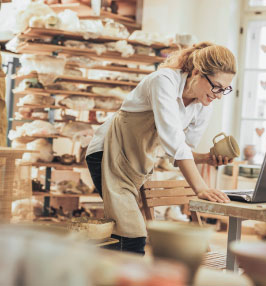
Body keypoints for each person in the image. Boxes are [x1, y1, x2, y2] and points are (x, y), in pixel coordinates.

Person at [86, 42, 236, 254]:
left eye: (225, 89)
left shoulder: (203, 106)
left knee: (124, 233)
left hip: (136, 164)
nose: (219, 95)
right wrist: (201, 188)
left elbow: (182, 150)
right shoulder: (163, 80)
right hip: (107, 154)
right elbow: (174, 141)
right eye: (217, 86)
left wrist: (206, 158)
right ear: (196, 72)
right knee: (131, 234)